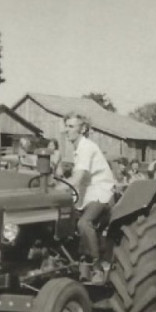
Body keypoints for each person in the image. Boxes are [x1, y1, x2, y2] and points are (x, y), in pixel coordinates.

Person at [64, 113, 116, 282]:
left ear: (83, 129)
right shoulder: (78, 149)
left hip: (101, 192)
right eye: (66, 126)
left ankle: (97, 267)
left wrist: (56, 189)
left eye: (71, 126)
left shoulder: (87, 147)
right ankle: (74, 265)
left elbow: (78, 178)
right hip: (86, 194)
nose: (66, 130)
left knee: (84, 223)